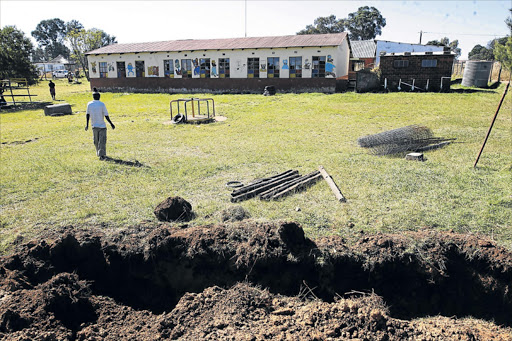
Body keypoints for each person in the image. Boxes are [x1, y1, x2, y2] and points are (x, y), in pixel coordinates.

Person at [85, 91, 115, 160]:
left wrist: (87, 125)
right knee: (102, 141)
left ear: (93, 97)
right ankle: (101, 155)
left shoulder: (89, 104)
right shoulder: (102, 104)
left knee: (96, 140)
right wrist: (111, 123)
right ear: (99, 97)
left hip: (94, 126)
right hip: (102, 126)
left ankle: (99, 153)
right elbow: (106, 115)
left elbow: (87, 114)